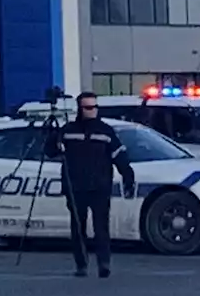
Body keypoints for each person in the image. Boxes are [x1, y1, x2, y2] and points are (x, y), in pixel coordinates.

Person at [45, 91, 135, 278]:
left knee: (101, 226)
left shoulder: (105, 131)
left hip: (100, 186)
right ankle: (81, 264)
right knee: (78, 227)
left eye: (95, 107)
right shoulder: (68, 130)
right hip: (75, 186)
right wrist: (53, 135)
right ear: (80, 108)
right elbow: (51, 152)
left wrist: (128, 176)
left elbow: (119, 155)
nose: (93, 111)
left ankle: (104, 264)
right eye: (88, 107)